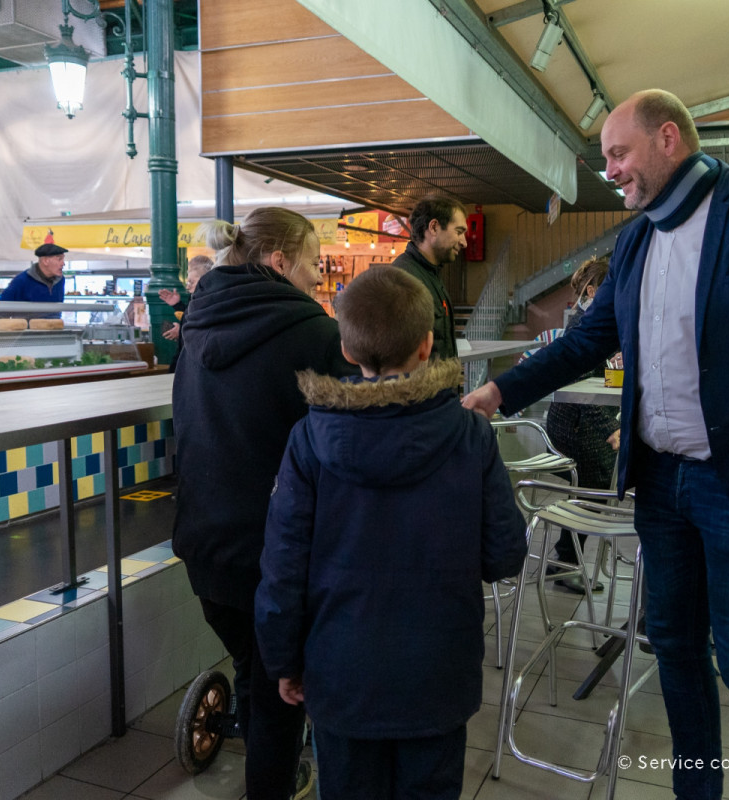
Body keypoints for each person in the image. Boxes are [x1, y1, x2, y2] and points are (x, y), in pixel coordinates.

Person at [463, 89, 729, 800]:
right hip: (660, 481)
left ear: (669, 139)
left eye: (619, 154)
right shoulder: (637, 239)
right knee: (674, 648)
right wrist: (499, 393)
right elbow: (590, 341)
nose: (611, 170)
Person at [255, 266, 526, 800]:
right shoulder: (471, 437)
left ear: (347, 348)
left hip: (340, 674)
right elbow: (505, 554)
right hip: (438, 676)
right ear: (428, 346)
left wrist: (284, 659)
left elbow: (282, 566)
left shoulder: (310, 439)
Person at [171, 208, 357, 800]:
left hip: (204, 548)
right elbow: (342, 448)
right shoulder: (317, 335)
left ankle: (266, 767)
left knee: (255, 667)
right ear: (279, 260)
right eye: (312, 261)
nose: (318, 274)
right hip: (275, 555)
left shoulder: (198, 324)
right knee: (280, 686)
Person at [543, 257, 620, 594]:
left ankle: (564, 562)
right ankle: (564, 562)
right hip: (571, 425)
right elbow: (577, 394)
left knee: (599, 477)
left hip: (577, 420)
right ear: (592, 290)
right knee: (596, 478)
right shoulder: (583, 326)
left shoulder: (589, 321)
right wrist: (610, 430)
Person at [391, 195, 467, 360]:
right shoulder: (405, 280)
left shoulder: (430, 275)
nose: (464, 242)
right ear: (434, 228)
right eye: (459, 232)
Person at [160, 254, 213, 372]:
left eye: (191, 282)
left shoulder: (207, 303)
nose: (188, 287)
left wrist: (182, 331)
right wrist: (177, 305)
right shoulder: (195, 300)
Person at [0, 242, 67, 304]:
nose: (63, 263)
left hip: (55, 318)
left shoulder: (60, 280)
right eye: (59, 259)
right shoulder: (21, 281)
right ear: (46, 261)